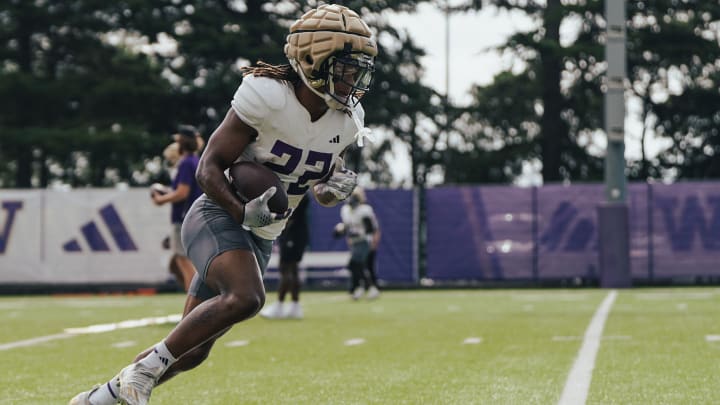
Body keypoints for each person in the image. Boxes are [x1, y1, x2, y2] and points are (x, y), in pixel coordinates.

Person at [69, 4, 377, 404]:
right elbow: (209, 167)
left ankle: (100, 399)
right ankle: (140, 375)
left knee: (191, 349)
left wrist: (332, 191)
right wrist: (239, 210)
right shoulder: (268, 98)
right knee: (248, 298)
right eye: (345, 67)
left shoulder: (346, 119)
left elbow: (317, 188)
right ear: (311, 61)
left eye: (358, 69)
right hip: (217, 214)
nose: (353, 78)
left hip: (261, 236)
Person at [150, 126, 204, 292]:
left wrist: (161, 199)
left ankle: (194, 306)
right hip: (195, 216)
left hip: (184, 218)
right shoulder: (197, 160)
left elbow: (182, 193)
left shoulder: (186, 163)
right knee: (189, 263)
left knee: (184, 263)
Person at [260, 194, 310, 319]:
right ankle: (295, 305)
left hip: (292, 233)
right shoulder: (304, 193)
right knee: (293, 269)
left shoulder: (298, 194)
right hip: (297, 233)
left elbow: (290, 214)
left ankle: (280, 305)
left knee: (286, 268)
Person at [333, 187, 381, 300]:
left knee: (355, 264)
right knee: (357, 266)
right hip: (354, 242)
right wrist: (342, 229)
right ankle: (362, 288)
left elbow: (371, 228)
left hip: (364, 240)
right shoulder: (345, 210)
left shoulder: (364, 210)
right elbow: (347, 226)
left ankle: (369, 288)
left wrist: (358, 232)